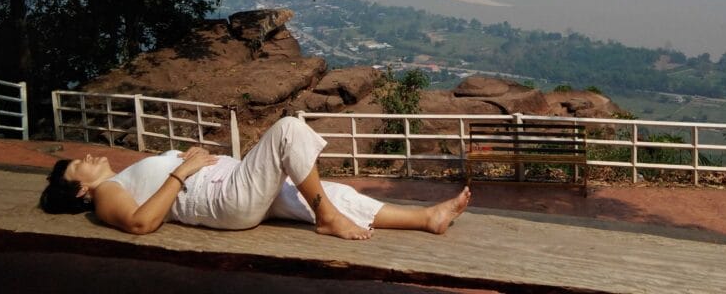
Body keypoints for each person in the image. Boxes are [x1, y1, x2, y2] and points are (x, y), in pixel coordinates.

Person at [40, 116, 470, 239]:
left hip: (231, 185)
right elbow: (140, 223)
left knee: (332, 192)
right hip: (225, 200)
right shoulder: (104, 196)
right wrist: (181, 171)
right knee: (288, 130)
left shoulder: (123, 177)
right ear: (79, 187)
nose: (90, 156)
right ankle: (327, 219)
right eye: (80, 163)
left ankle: (427, 218)